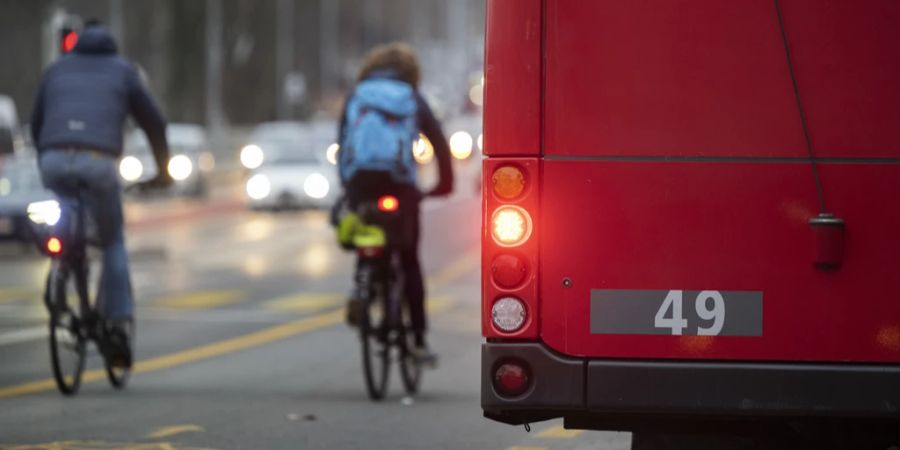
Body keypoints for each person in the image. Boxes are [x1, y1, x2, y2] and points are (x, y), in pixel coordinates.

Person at [30, 21, 171, 367]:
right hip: (98, 161)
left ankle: (60, 268)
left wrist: (49, 155)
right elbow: (154, 122)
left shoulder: (56, 69)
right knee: (112, 242)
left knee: (65, 210)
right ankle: (118, 326)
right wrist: (162, 171)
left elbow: (36, 122)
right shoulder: (122, 72)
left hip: (53, 158)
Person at [337, 42, 454, 363]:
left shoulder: (358, 95)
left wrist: (349, 187)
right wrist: (444, 184)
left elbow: (343, 143)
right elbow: (439, 143)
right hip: (400, 185)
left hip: (362, 183)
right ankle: (417, 340)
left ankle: (361, 286)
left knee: (367, 235)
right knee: (408, 259)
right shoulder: (411, 97)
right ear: (410, 72)